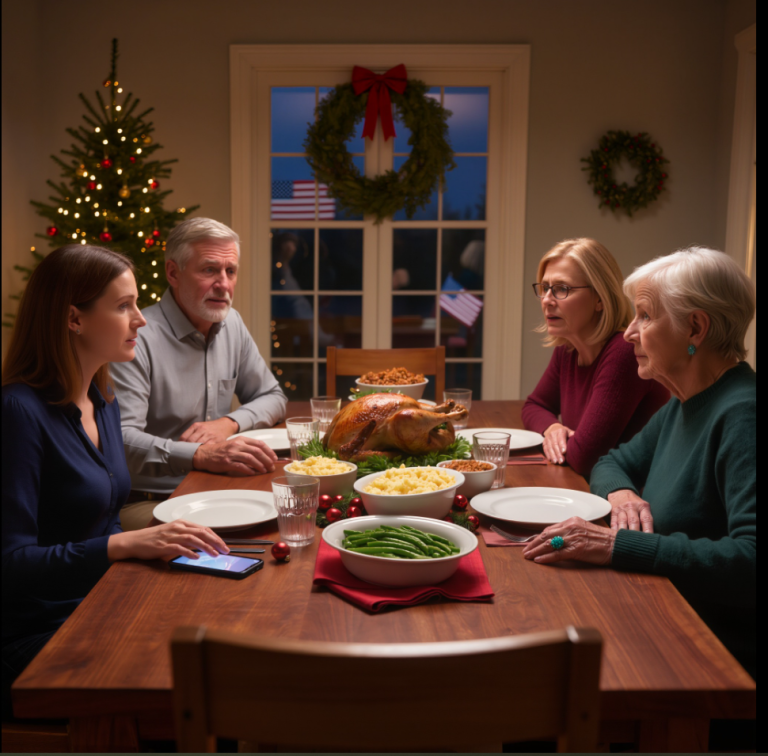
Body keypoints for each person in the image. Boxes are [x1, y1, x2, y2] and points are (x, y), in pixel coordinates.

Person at [2, 246, 230, 719]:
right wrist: (126, 545)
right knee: (200, 686)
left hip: (97, 600)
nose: (140, 320)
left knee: (220, 633)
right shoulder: (17, 413)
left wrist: (152, 544)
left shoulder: (102, 401)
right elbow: (11, 565)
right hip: (36, 632)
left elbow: (99, 525)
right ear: (74, 319)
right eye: (123, 306)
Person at [522, 246, 756, 683]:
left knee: (538, 680)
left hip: (711, 655)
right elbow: (611, 461)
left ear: (696, 327)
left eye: (645, 316)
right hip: (661, 609)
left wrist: (615, 545)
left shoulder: (742, 414)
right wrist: (620, 491)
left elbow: (750, 562)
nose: (628, 333)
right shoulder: (685, 403)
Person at [110, 218, 288, 531]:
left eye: (230, 271)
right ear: (173, 273)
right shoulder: (136, 337)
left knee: (294, 519)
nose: (223, 284)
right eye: (209, 270)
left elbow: (273, 396)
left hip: (214, 487)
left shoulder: (232, 323)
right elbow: (122, 440)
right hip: (151, 499)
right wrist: (201, 454)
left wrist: (229, 423)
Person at [522, 238, 669, 476]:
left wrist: (570, 443)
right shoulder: (567, 348)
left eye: (561, 289)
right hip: (587, 489)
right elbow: (534, 406)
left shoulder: (625, 353)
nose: (547, 300)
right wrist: (552, 427)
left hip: (629, 502)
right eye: (545, 288)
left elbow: (585, 458)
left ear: (600, 298)